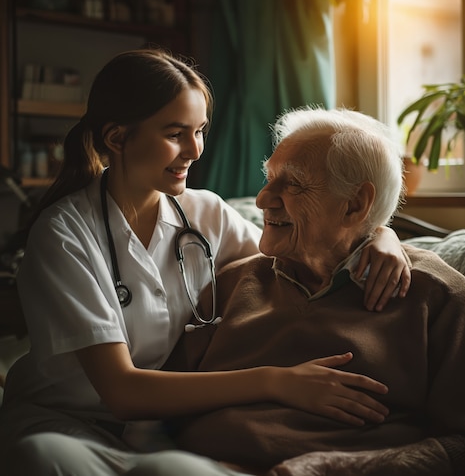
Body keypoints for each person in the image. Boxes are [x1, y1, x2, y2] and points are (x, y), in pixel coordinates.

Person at [0, 49, 411, 476]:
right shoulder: (63, 234)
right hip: (69, 426)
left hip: (163, 429)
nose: (194, 150)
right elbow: (122, 391)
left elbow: (297, 255)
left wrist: (381, 234)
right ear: (118, 138)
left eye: (200, 131)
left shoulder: (206, 215)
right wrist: (278, 381)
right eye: (176, 133)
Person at [165, 107, 465, 476]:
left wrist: (338, 468)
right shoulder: (232, 282)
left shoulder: (440, 298)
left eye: (294, 183)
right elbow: (165, 405)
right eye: (269, 179)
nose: (263, 199)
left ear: (355, 204)